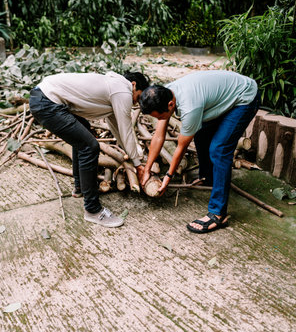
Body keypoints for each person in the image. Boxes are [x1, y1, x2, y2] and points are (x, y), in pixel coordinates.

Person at [140, 70, 260, 234]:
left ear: (170, 105)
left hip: (245, 97)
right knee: (202, 134)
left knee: (219, 149)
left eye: (161, 117)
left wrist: (167, 177)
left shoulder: (189, 107)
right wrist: (147, 170)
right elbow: (158, 136)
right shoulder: (164, 94)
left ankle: (218, 214)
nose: (161, 120)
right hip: (227, 93)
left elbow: (181, 148)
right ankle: (208, 178)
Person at [29, 71, 149, 228]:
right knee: (90, 147)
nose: (136, 103)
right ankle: (93, 210)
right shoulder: (123, 90)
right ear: (133, 85)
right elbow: (126, 131)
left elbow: (118, 129)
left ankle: (80, 187)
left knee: (83, 132)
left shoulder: (115, 87)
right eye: (138, 97)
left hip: (43, 97)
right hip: (48, 102)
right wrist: (138, 164)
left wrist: (133, 157)